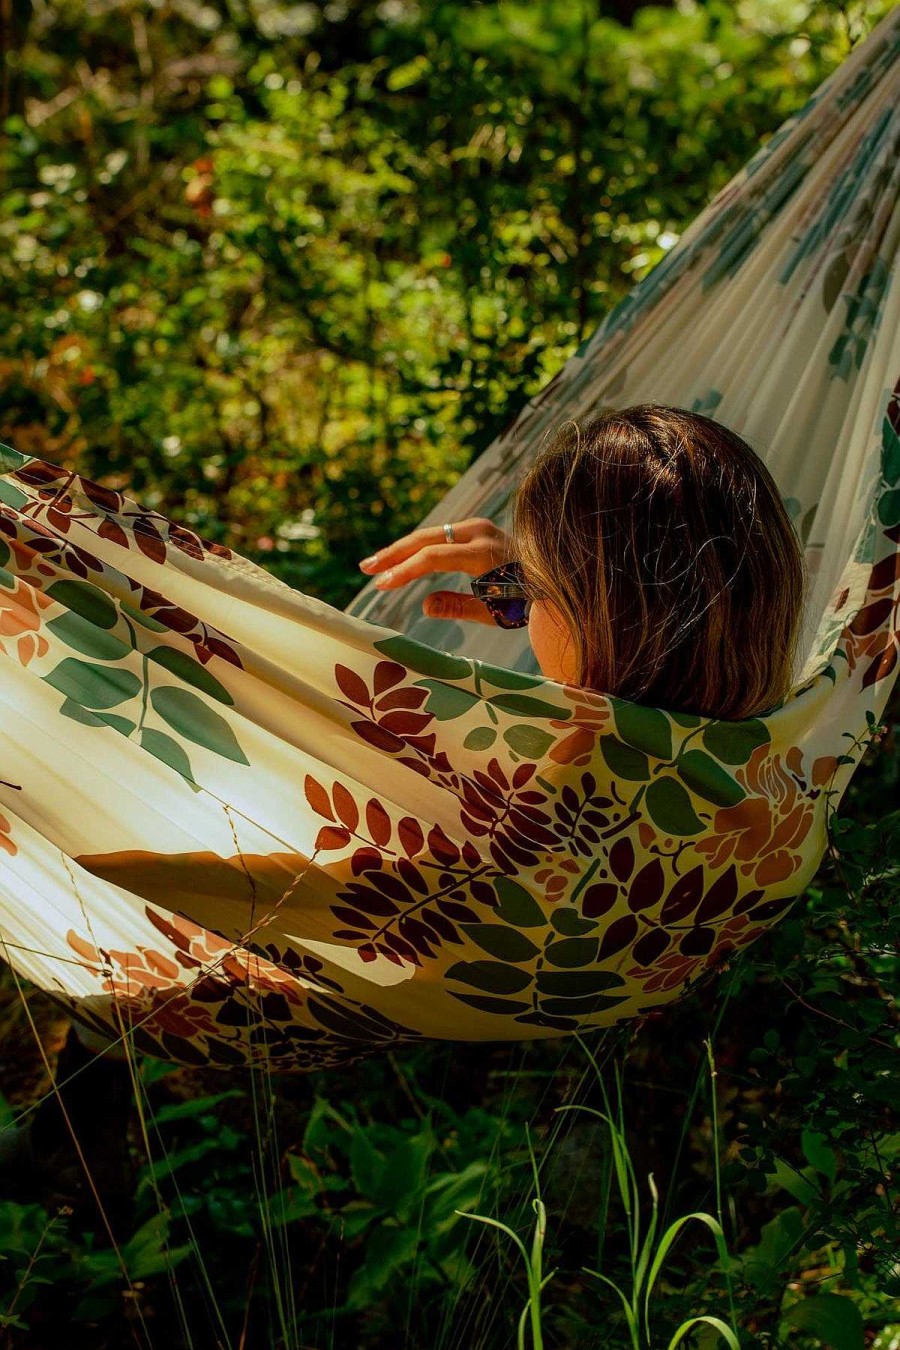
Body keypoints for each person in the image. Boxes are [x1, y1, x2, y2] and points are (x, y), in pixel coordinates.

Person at [0, 403, 804, 1225]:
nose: (525, 604)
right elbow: (634, 682)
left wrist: (84, 844)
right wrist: (521, 591)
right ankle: (76, 1128)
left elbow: (306, 893)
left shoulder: (541, 815)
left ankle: (71, 1141)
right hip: (609, 954)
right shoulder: (788, 747)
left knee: (139, 935)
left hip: (346, 984)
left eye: (545, 587)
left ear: (602, 609)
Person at [360, 403, 805, 719]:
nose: (527, 607)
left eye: (535, 587)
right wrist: (530, 591)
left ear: (614, 625)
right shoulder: (789, 753)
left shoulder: (530, 809)